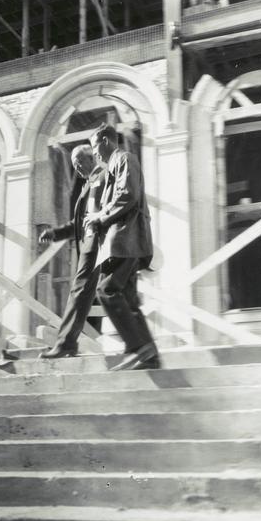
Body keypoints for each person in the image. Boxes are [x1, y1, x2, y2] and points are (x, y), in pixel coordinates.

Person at [85, 123, 161, 371]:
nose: (95, 153)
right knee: (128, 298)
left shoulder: (124, 159)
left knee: (106, 289)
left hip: (125, 239)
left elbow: (127, 194)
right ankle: (148, 356)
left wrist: (100, 217)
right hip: (125, 240)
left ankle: (138, 348)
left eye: (95, 147)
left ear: (106, 142)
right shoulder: (115, 166)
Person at [38, 144, 105, 359]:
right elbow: (79, 222)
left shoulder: (102, 179)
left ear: (91, 159)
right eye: (73, 164)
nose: (76, 168)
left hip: (99, 244)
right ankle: (140, 345)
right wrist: (56, 233)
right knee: (108, 294)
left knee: (82, 291)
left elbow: (103, 214)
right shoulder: (90, 184)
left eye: (79, 162)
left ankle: (66, 344)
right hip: (98, 243)